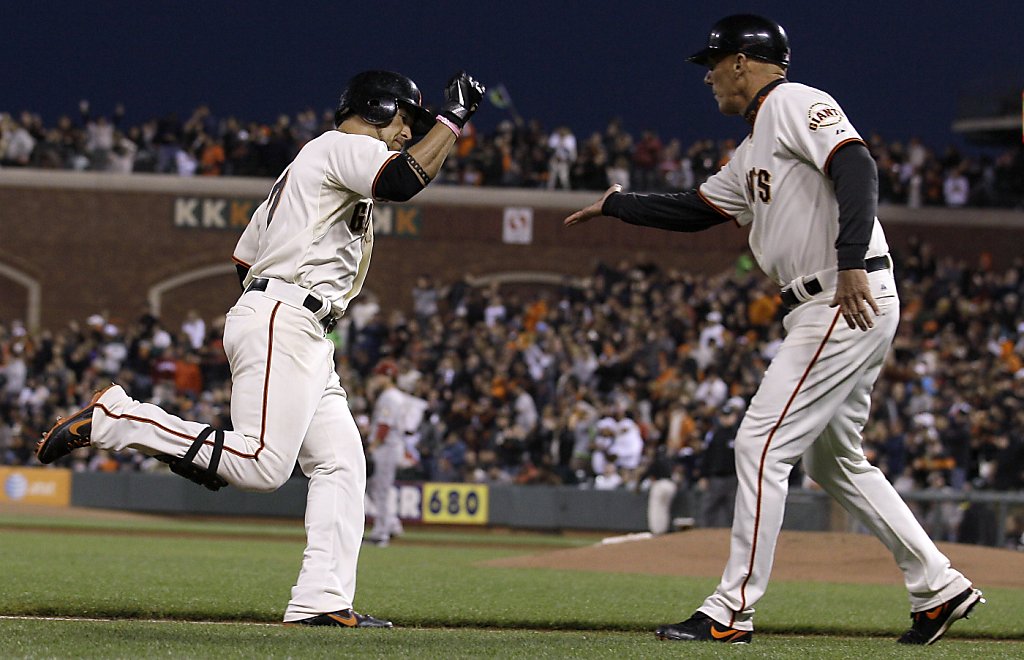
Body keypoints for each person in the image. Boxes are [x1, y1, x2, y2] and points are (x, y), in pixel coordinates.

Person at [564, 14, 982, 646]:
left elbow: (857, 166)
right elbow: (698, 210)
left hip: (843, 293)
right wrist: (619, 203)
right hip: (833, 298)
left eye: (713, 63)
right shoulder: (753, 144)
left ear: (741, 61)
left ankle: (732, 608)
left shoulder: (793, 101)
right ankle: (938, 585)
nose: (707, 77)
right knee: (834, 458)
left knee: (760, 445)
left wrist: (848, 261)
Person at [36, 69, 485, 629]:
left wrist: (274, 309)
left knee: (342, 463)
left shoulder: (309, 168)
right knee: (262, 464)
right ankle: (118, 419)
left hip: (297, 323)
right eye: (405, 119)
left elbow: (246, 259)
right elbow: (404, 180)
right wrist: (453, 119)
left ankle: (321, 600)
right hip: (288, 316)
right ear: (376, 109)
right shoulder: (344, 145)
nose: (407, 131)